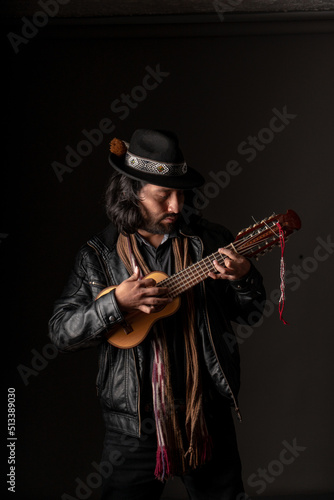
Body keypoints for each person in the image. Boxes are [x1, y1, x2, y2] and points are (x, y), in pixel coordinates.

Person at [49, 129, 266, 500]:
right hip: (133, 426)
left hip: (204, 416)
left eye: (180, 194)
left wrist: (244, 279)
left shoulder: (211, 242)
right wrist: (116, 303)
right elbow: (61, 332)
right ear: (132, 192)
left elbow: (249, 314)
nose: (176, 207)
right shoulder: (98, 255)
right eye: (163, 196)